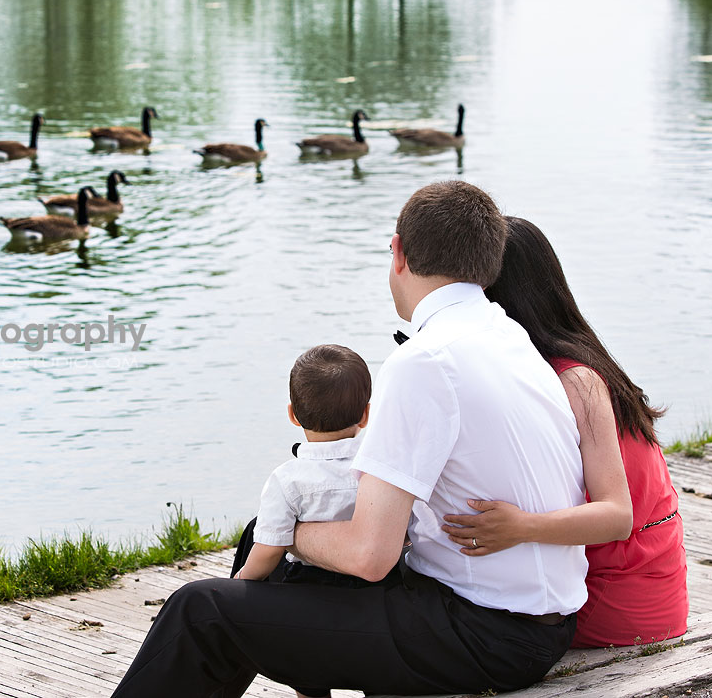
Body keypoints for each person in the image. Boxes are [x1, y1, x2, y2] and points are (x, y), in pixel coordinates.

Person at [111, 181, 589, 698]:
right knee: (259, 538)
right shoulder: (508, 337)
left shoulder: (424, 361)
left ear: (399, 252)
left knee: (200, 609)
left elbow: (369, 555)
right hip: (538, 623)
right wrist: (274, 532)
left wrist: (285, 529)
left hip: (481, 633)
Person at [441, 216, 688, 648]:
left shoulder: (571, 381)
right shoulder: (578, 359)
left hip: (618, 603)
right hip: (652, 591)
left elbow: (617, 518)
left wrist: (521, 527)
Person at [232, 343, 374, 587]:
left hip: (308, 587)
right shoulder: (378, 468)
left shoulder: (287, 479)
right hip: (373, 587)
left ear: (293, 415)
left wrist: (239, 580)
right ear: (365, 415)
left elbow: (268, 552)